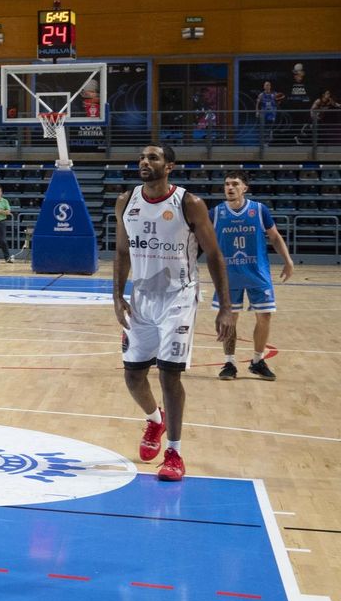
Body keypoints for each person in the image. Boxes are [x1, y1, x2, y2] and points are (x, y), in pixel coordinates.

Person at [112, 145, 234, 482]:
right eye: (142, 157)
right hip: (141, 297)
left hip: (179, 297)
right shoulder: (126, 201)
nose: (144, 162)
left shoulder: (189, 203)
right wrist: (117, 296)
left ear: (170, 166)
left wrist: (225, 307)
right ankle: (155, 420)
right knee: (133, 376)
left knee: (169, 375)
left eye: (153, 158)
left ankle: (174, 453)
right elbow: (122, 251)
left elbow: (214, 255)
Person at [212, 170, 295, 380]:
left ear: (244, 188)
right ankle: (229, 363)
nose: (230, 187)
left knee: (265, 316)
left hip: (258, 273)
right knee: (230, 319)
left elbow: (274, 237)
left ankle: (257, 361)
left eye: (235, 184)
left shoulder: (259, 210)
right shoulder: (216, 213)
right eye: (227, 184)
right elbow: (199, 239)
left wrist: (288, 260)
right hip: (229, 275)